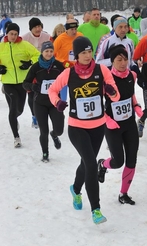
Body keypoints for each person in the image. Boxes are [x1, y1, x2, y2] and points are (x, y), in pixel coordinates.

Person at [48, 36, 120, 224]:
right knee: (90, 163)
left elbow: (115, 94)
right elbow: (52, 91)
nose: (87, 56)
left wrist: (111, 91)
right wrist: (58, 102)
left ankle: (76, 189)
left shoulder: (101, 70)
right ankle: (96, 210)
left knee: (85, 163)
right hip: (77, 127)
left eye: (89, 52)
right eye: (83, 53)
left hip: (98, 126)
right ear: (76, 55)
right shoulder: (69, 73)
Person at [97, 44, 142, 205]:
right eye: (119, 60)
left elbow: (131, 95)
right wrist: (107, 119)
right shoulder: (106, 79)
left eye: (125, 59)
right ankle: (102, 164)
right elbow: (97, 105)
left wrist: (136, 107)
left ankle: (124, 193)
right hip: (112, 126)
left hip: (129, 124)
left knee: (132, 160)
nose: (123, 63)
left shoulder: (132, 75)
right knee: (118, 162)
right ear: (112, 61)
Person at [22, 41, 65, 162]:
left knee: (60, 129)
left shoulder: (58, 66)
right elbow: (25, 83)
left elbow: (68, 79)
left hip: (55, 102)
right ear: (42, 52)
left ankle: (55, 134)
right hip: (40, 102)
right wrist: (33, 87)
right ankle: (45, 153)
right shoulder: (36, 67)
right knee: (43, 131)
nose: (49, 53)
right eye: (46, 51)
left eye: (51, 51)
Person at [0, 23, 41, 148]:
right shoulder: (1, 47)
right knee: (13, 106)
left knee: (19, 109)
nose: (13, 36)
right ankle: (16, 137)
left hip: (22, 82)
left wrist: (29, 63)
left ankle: (14, 118)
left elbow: (38, 55)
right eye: (11, 34)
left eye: (15, 34)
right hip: (8, 82)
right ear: (7, 33)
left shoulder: (24, 45)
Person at [22, 17, 52, 129]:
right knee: (31, 93)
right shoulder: (25, 38)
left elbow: (52, 50)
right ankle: (34, 116)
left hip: (44, 68)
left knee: (43, 92)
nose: (38, 29)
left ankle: (43, 115)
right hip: (31, 68)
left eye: (39, 26)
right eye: (35, 27)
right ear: (31, 28)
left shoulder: (47, 37)